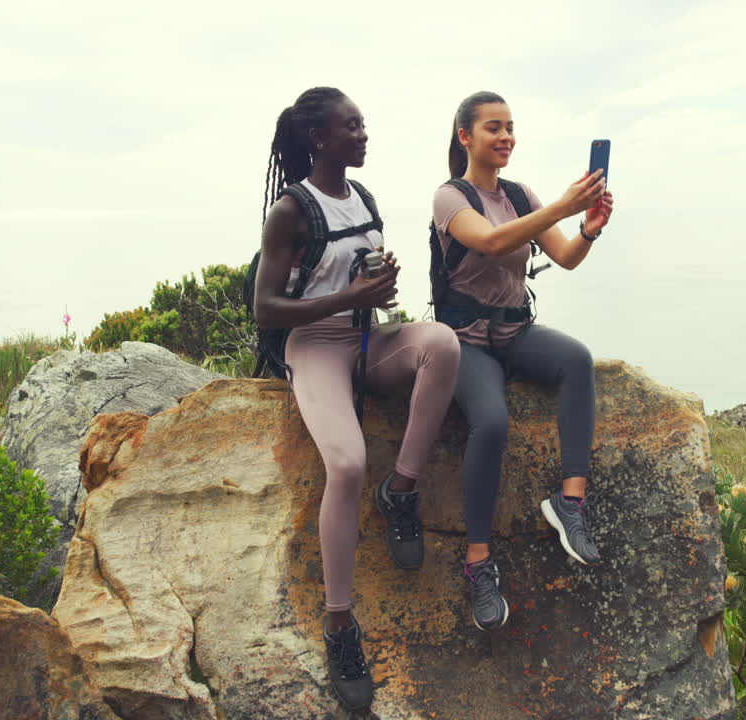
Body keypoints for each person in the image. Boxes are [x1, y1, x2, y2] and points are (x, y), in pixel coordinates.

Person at [252, 87, 460, 711]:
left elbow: (356, 278)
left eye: (363, 123)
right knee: (345, 462)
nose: (364, 134)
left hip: (364, 337)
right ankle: (340, 622)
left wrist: (379, 281)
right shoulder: (292, 211)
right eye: (352, 127)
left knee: (443, 345)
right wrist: (352, 297)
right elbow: (266, 308)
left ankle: (401, 488)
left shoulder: (362, 198)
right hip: (313, 345)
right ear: (320, 138)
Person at [430, 91, 615, 631]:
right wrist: (561, 207)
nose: (506, 136)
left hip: (514, 332)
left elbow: (564, 257)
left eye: (510, 127)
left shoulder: (519, 194)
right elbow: (488, 241)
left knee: (576, 360)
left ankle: (570, 503)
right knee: (490, 422)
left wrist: (588, 229)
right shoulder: (450, 197)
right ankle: (478, 563)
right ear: (466, 136)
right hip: (465, 341)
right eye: (493, 128)